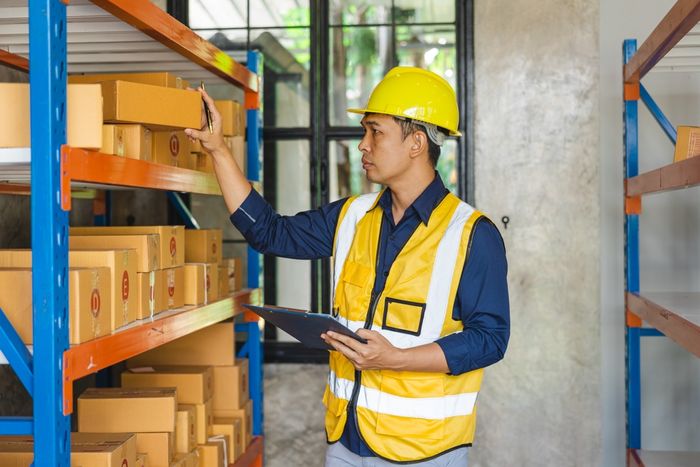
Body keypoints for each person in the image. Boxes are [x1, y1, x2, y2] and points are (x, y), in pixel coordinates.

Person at [186, 67, 510, 466]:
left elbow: (490, 339)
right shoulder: (352, 216)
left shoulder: (472, 234)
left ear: (416, 142)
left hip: (425, 451)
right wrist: (219, 150)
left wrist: (397, 359)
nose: (363, 145)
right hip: (345, 441)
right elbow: (268, 232)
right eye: (365, 132)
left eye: (376, 131)